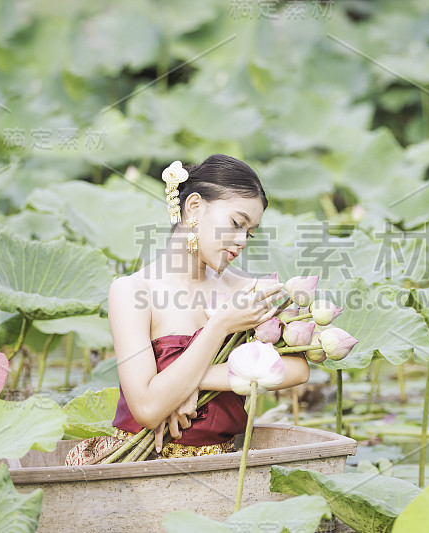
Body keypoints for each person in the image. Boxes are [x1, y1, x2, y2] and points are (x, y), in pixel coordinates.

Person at [65, 154, 310, 466]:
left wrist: (197, 380)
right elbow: (149, 409)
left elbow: (297, 369)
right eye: (236, 224)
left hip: (225, 466)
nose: (242, 241)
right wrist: (220, 325)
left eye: (249, 232)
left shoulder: (245, 289)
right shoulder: (133, 291)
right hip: (138, 468)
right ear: (194, 207)